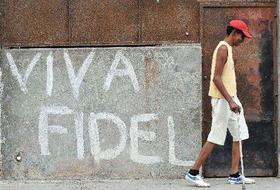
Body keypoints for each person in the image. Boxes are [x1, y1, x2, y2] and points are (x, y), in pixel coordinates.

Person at [185, 20, 256, 187]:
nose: (243, 40)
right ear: (234, 33)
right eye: (242, 36)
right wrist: (230, 101)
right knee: (216, 136)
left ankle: (234, 174)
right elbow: (216, 78)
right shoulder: (223, 49)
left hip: (231, 98)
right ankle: (193, 173)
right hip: (223, 100)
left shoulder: (228, 49)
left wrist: (233, 99)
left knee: (240, 133)